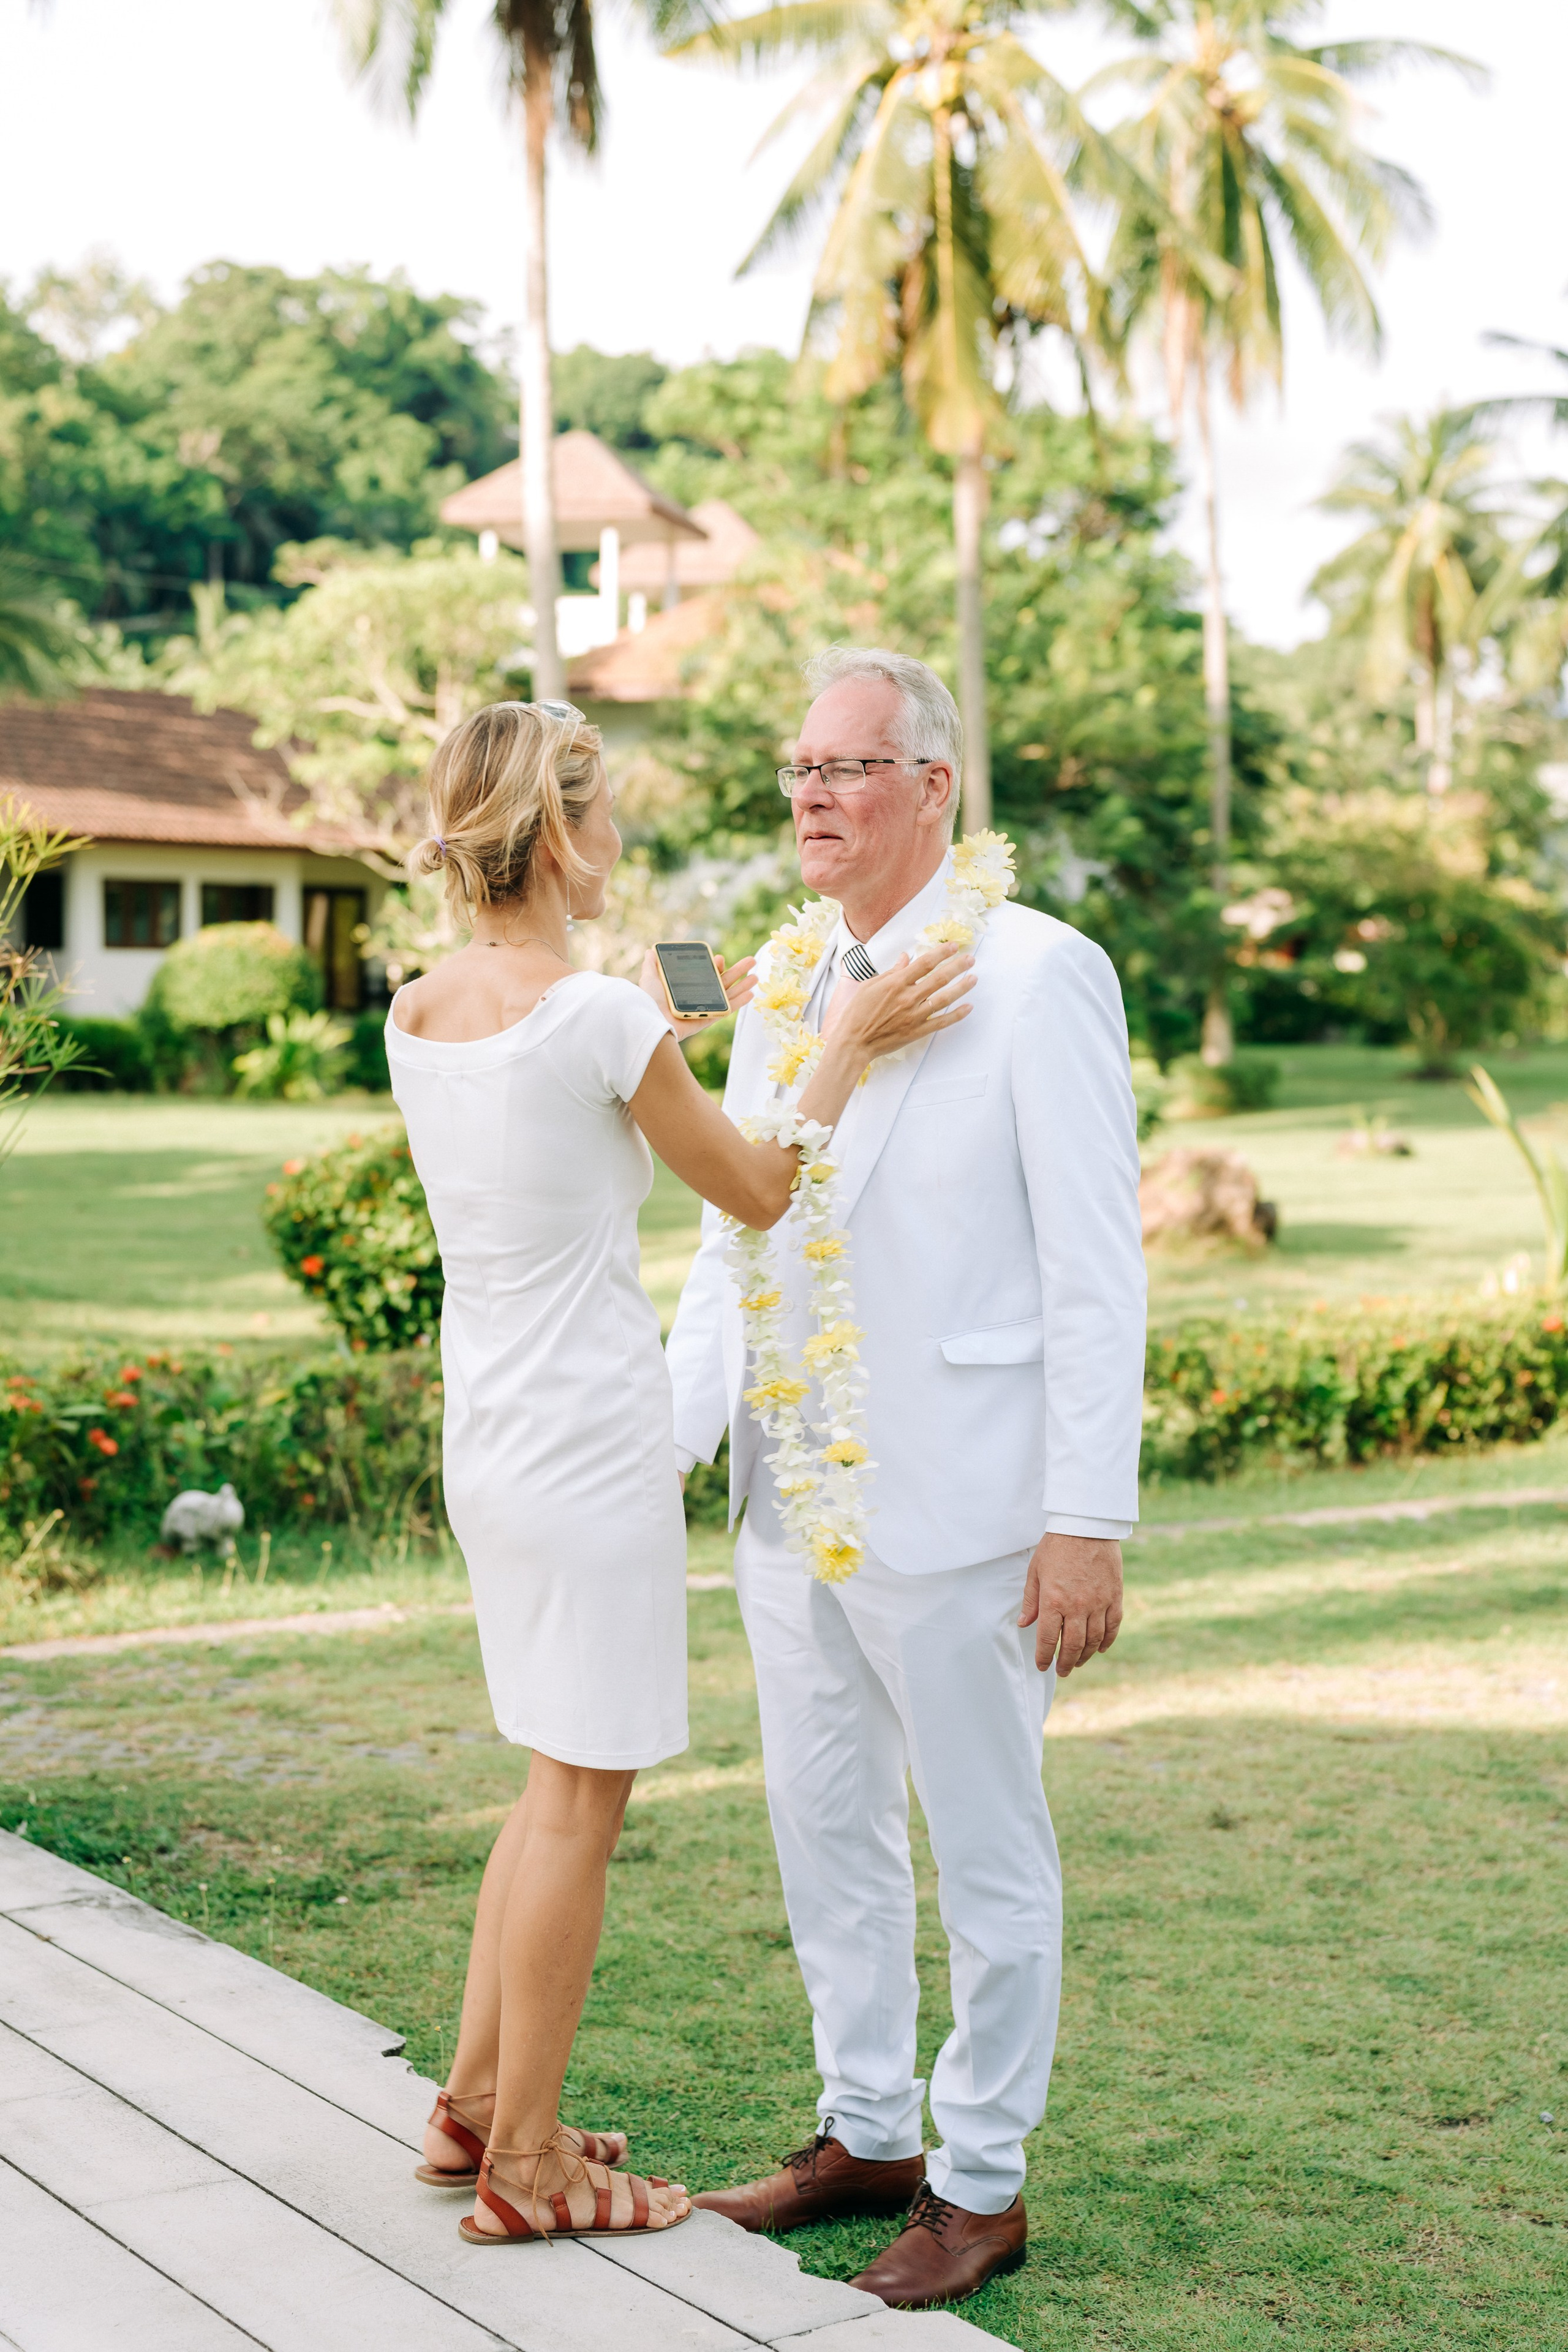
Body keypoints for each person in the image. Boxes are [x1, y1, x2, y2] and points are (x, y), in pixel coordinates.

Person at [385, 696, 974, 2251]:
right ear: (561, 831)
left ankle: (467, 2100)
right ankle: (524, 2160)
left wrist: (645, 1030)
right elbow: (764, 1188)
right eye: (610, 816)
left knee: (545, 1772)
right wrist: (840, 1043)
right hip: (589, 1447)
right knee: (584, 1795)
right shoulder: (597, 1019)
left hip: (490, 1445)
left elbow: (553, 1085)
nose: (624, 844)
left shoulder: (425, 1005)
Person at [666, 647, 1147, 2310]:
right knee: (826, 1832)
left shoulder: (1040, 971)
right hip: (787, 1496)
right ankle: (862, 2129)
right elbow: (738, 1218)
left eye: (851, 767)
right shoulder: (784, 979)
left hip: (963, 1503)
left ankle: (983, 2181)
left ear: (934, 789)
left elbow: (1099, 1267)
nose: (812, 792)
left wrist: (1085, 1519)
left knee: (987, 1848)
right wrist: (676, 1438)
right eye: (798, 765)